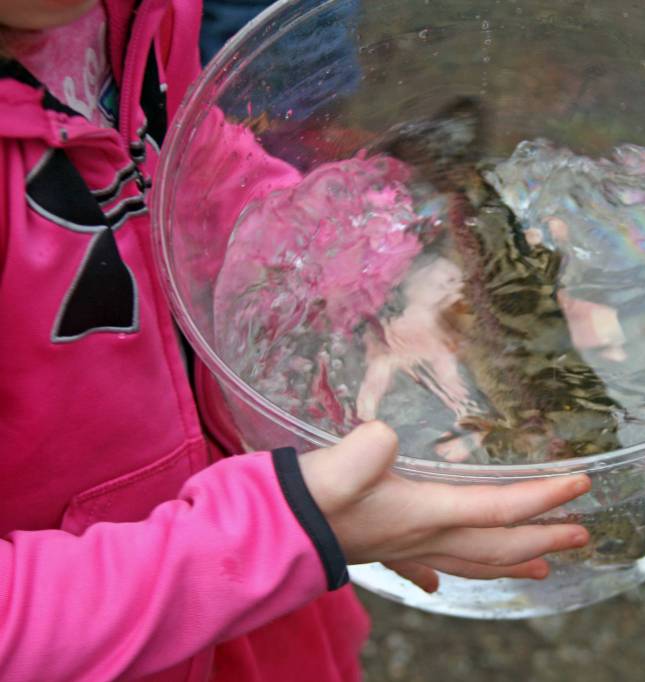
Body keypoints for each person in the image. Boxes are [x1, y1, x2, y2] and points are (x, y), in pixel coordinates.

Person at [0, 1, 593, 680]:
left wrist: (392, 274)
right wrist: (278, 533)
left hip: (256, 590)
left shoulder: (128, 15)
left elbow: (194, 170)